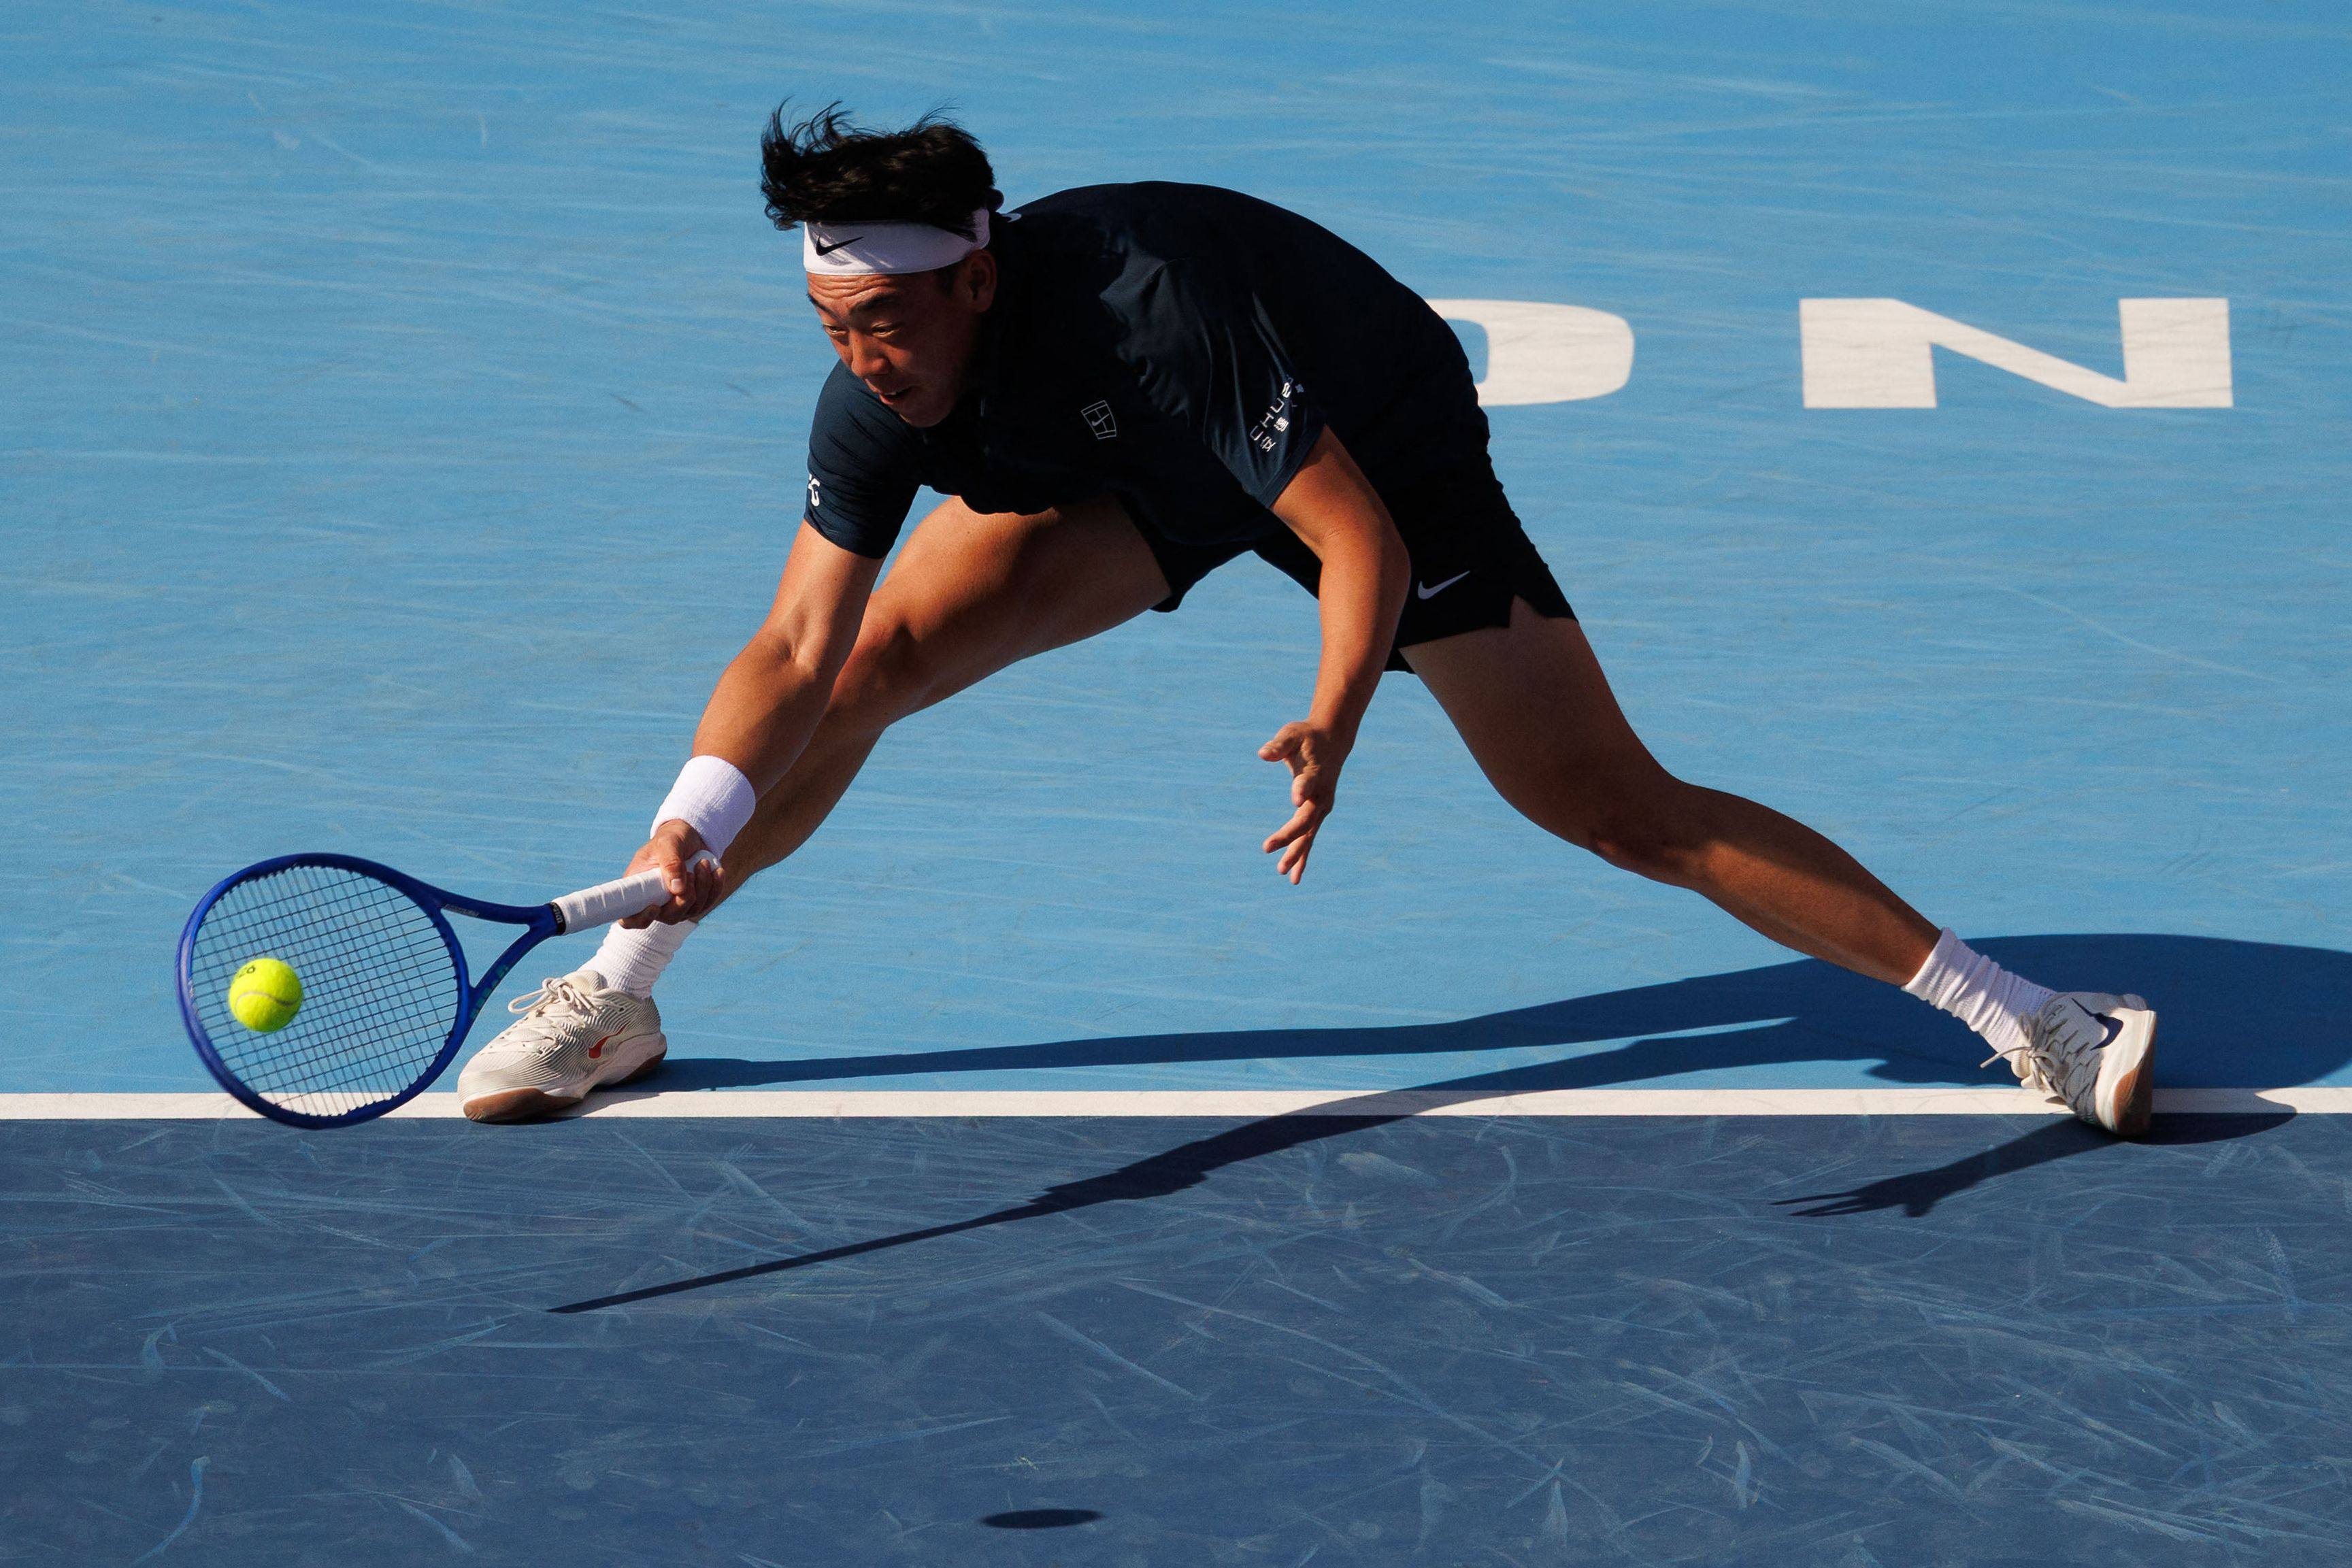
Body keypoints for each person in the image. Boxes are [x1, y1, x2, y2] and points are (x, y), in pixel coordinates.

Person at [457, 105, 2156, 1133]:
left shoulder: (1149, 312)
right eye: (835, 324)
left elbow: (1354, 546)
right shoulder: (877, 393)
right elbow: (792, 649)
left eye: (885, 319)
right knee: (876, 666)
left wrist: (1336, 718)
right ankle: (626, 989)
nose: (862, 357)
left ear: (975, 274)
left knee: (1607, 805)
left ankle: (2036, 1022)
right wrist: (696, 821)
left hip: (1372, 453)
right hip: (1138, 480)